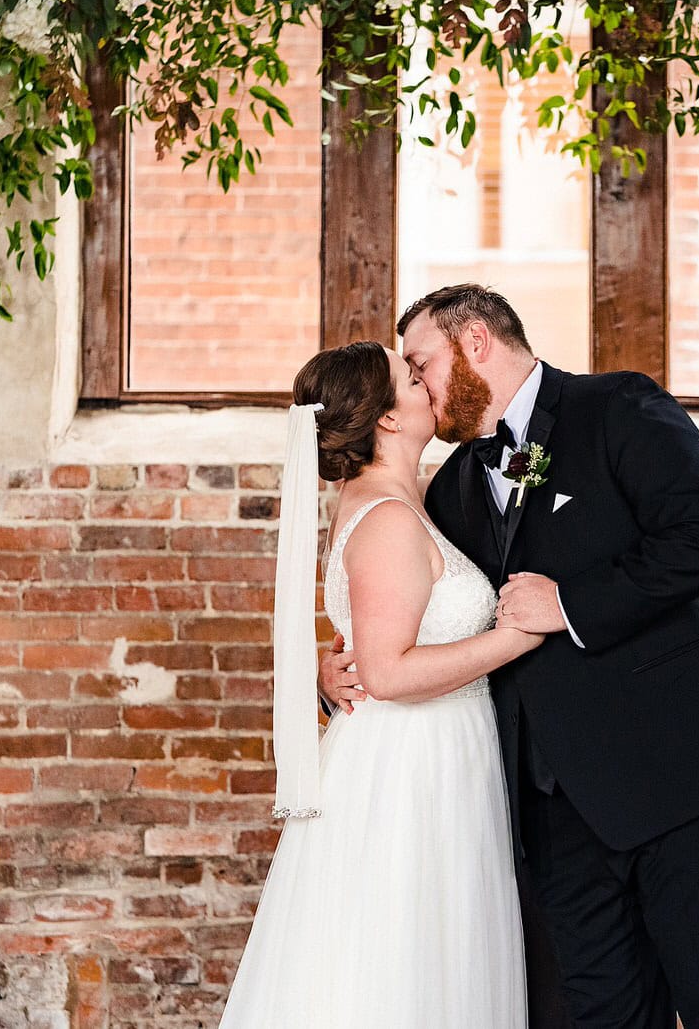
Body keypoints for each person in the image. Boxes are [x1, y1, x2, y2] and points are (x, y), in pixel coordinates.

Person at [320, 284, 699, 1029]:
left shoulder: (618, 408)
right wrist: (343, 671)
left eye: (423, 363)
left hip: (688, 775)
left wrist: (570, 603)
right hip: (556, 814)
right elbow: (413, 618)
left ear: (475, 342)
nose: (419, 383)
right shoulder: (446, 491)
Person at [218, 339, 541, 1028]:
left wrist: (333, 666)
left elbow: (372, 644)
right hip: (412, 768)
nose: (425, 379)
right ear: (387, 419)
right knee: (407, 954)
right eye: (410, 375)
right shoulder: (389, 518)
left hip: (430, 752)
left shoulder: (399, 498)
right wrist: (514, 637)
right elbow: (389, 671)